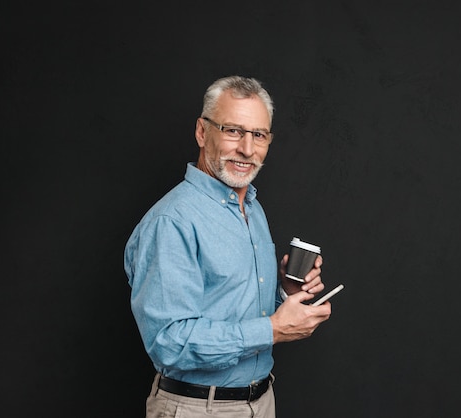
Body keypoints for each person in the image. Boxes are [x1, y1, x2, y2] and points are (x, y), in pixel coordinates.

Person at [124, 75, 332, 418]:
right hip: (196, 409)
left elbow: (231, 305)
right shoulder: (172, 221)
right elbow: (169, 344)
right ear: (202, 132)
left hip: (261, 403)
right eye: (233, 130)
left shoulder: (251, 206)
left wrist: (286, 293)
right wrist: (274, 329)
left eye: (259, 135)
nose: (247, 149)